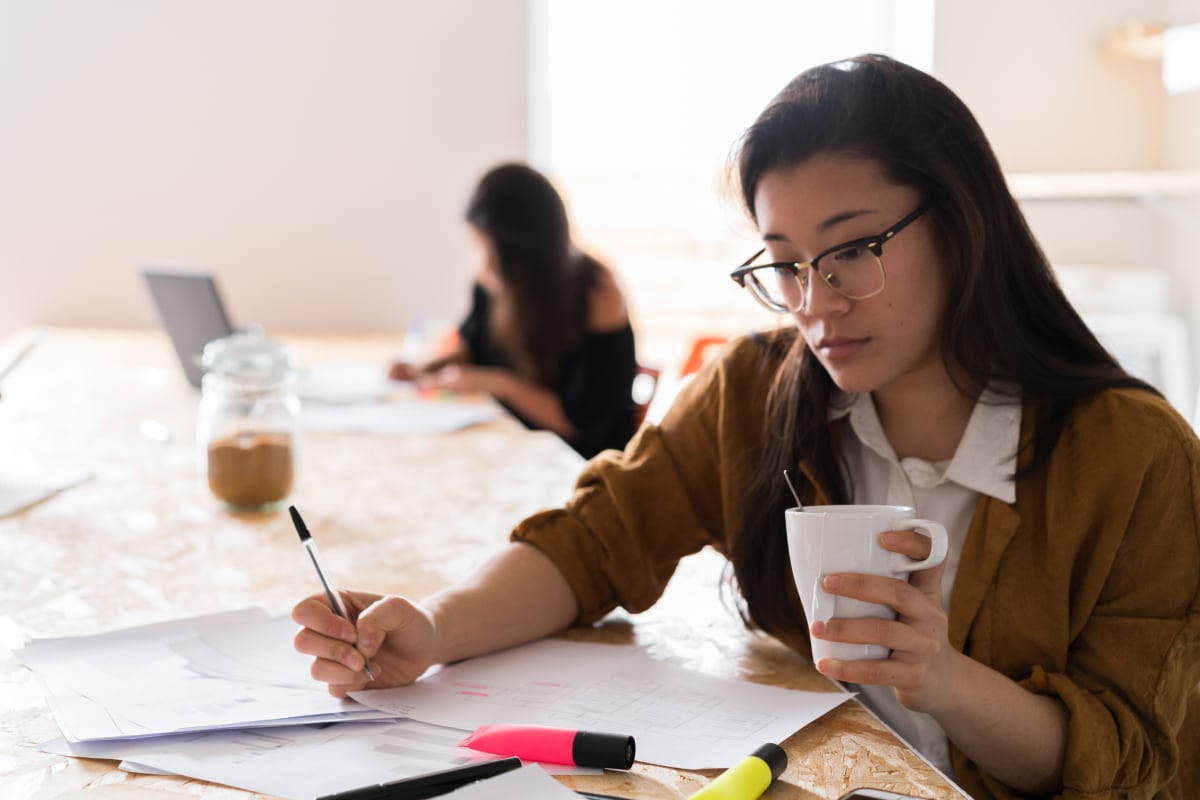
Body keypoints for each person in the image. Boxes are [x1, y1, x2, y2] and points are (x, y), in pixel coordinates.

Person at [295, 55, 1199, 798]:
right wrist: (435, 629)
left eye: (852, 251)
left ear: (963, 225)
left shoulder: (1134, 459)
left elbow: (1131, 765)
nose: (817, 303)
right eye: (786, 264)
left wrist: (943, 676)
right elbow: (596, 540)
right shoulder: (759, 390)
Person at [389, 163, 638, 459]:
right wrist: (424, 369)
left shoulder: (596, 291)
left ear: (519, 252)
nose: (480, 265)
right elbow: (475, 347)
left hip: (580, 464)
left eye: (483, 246)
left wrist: (499, 384)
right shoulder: (497, 283)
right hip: (519, 447)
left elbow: (581, 424)